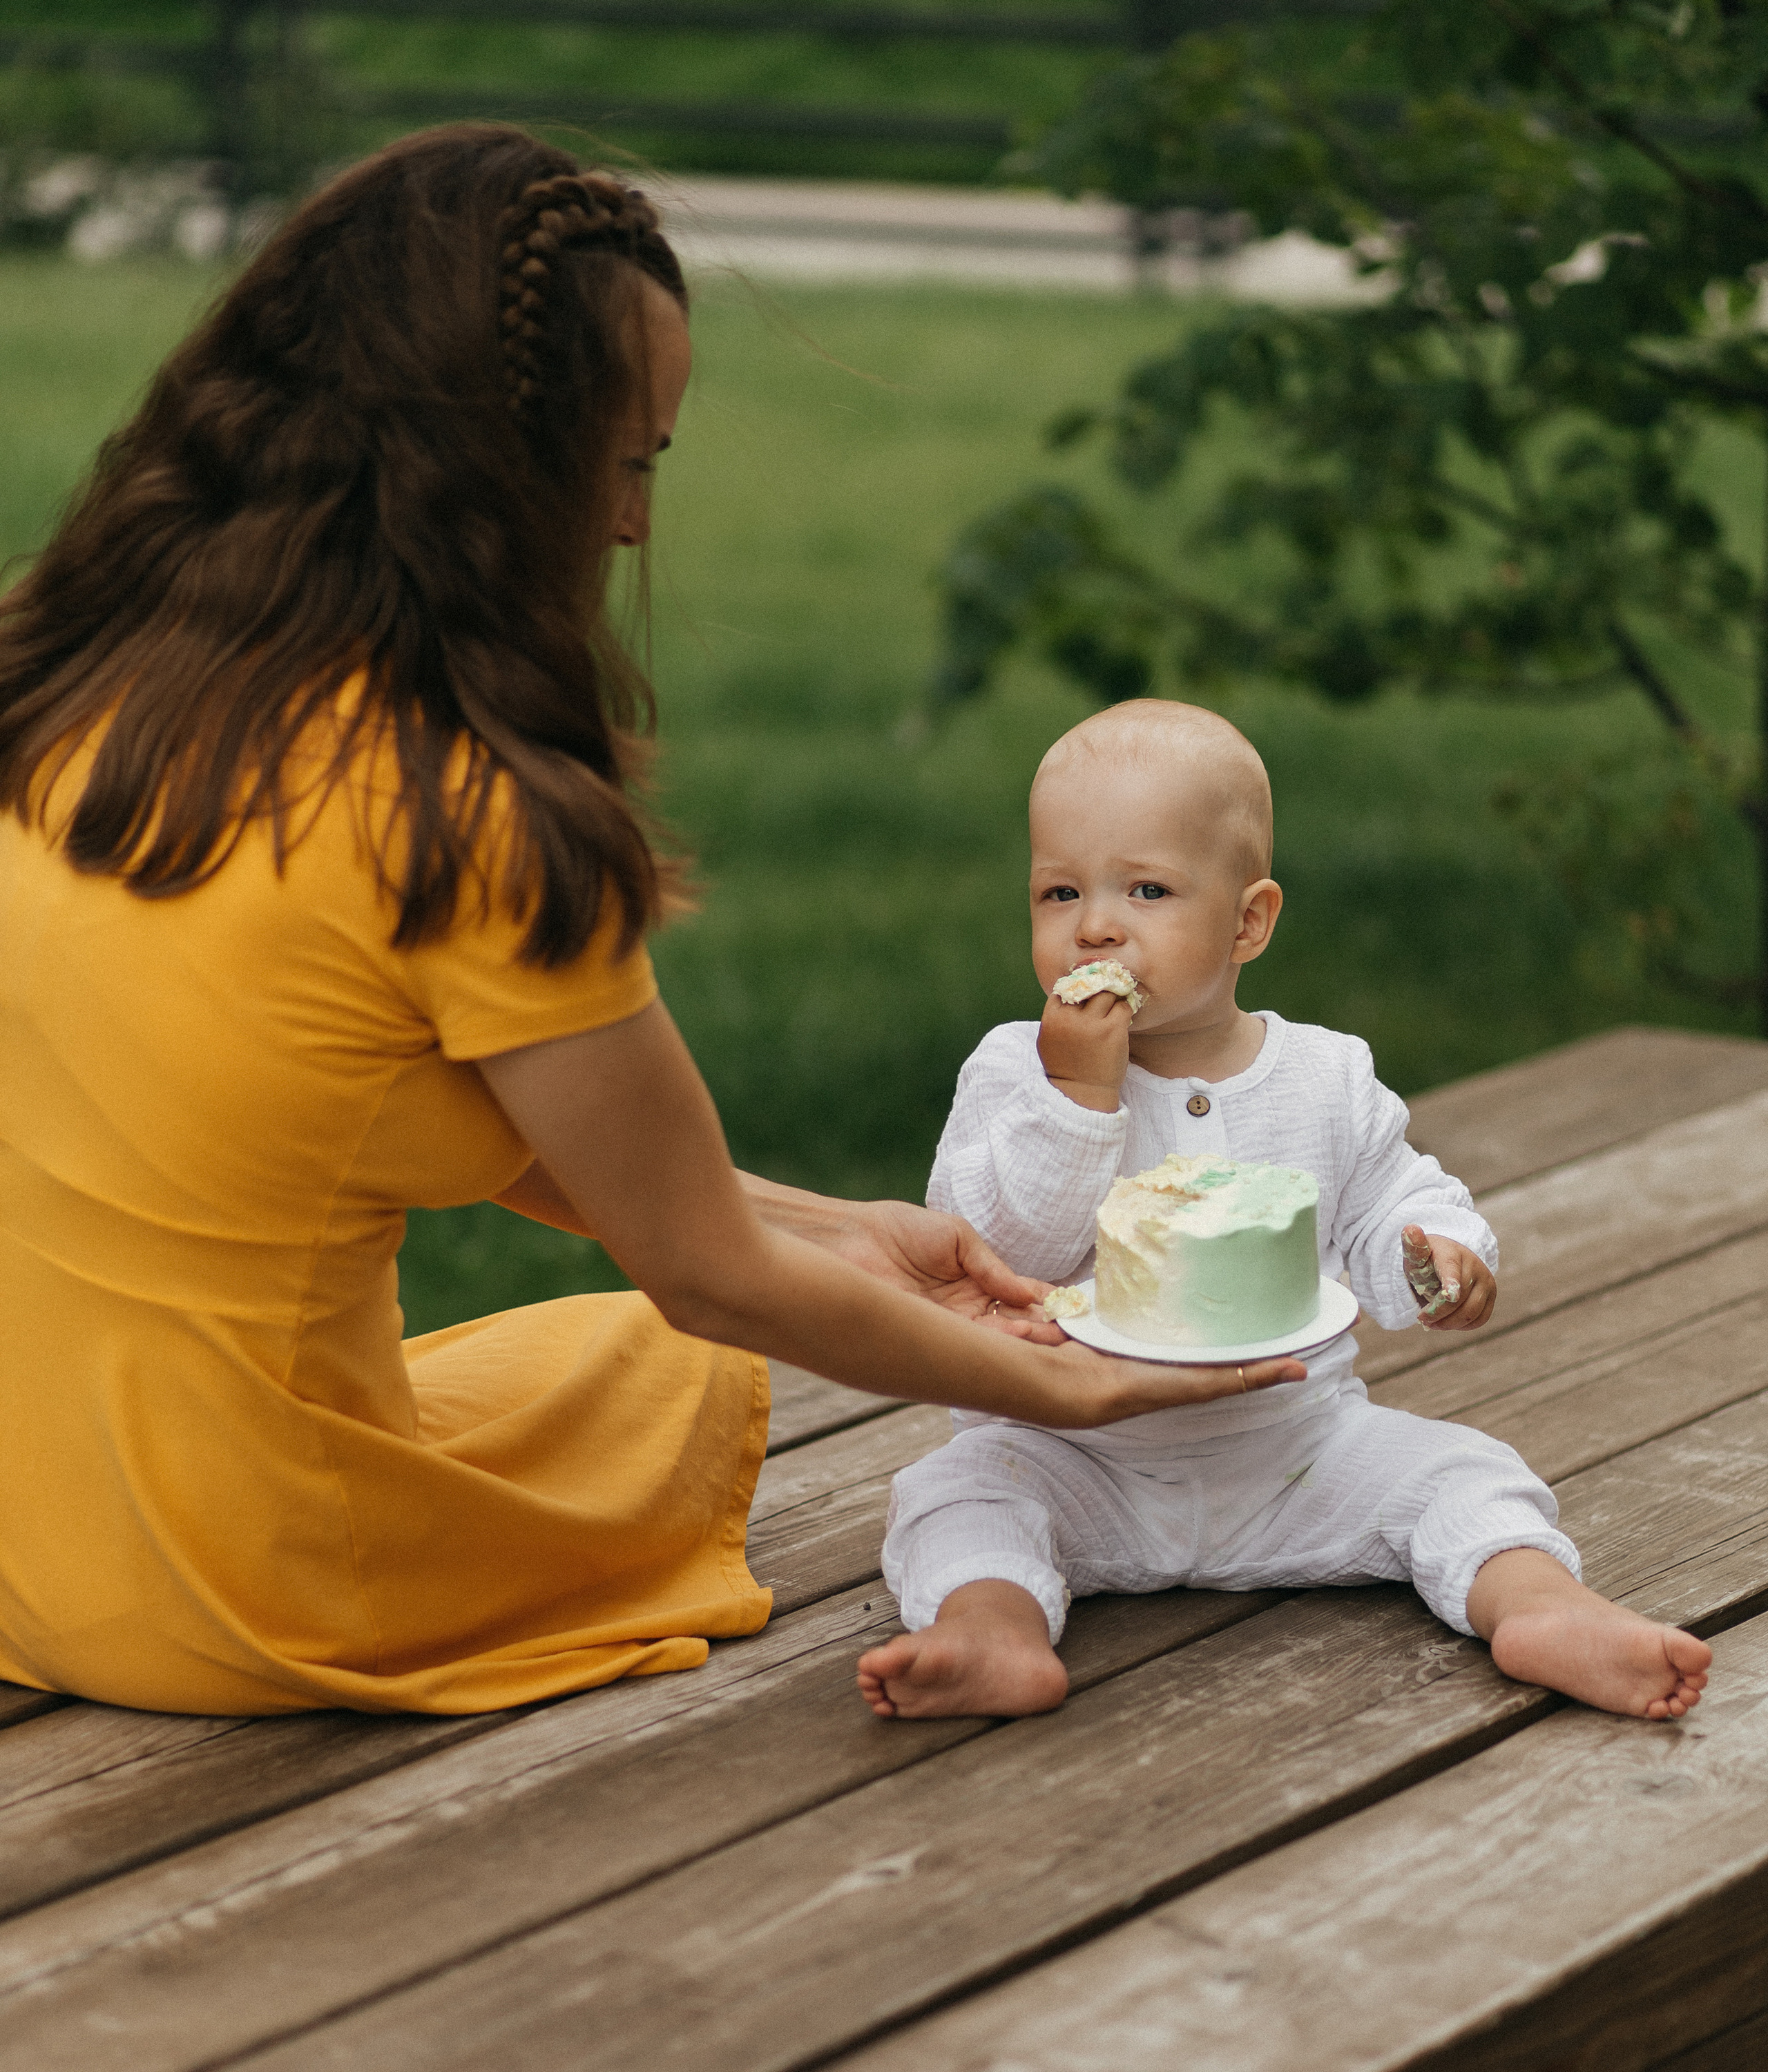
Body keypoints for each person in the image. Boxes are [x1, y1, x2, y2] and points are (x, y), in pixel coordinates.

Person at [0, 129, 1300, 1718]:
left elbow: (421, 1119)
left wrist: (836, 1230)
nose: (628, 526)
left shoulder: (69, 694)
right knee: (681, 1367)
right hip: (242, 1580)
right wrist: (1065, 1384)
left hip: (33, 1528)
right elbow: (704, 1276)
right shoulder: (451, 810)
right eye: (630, 462)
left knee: (632, 1355)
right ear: (494, 469)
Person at [860, 698, 1713, 1725]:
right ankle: (990, 1632)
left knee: (1462, 1472)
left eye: (1146, 889)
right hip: (1071, 1455)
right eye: (1059, 891)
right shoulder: (1013, 1073)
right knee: (955, 1493)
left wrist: (1436, 1258)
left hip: (1293, 1452)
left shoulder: (1323, 1075)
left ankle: (1543, 1610)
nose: (1095, 924)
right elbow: (989, 1253)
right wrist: (1077, 1100)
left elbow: (1393, 1200)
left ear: (1248, 921)